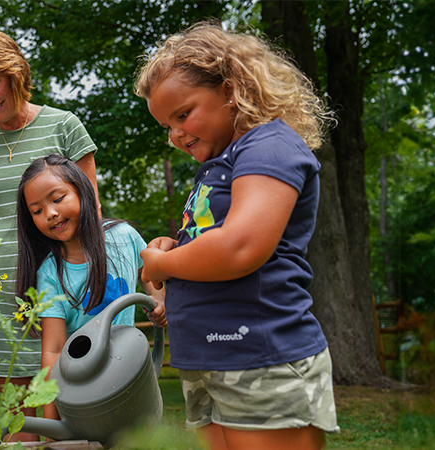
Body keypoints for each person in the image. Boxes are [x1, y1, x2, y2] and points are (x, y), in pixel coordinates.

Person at [133, 23, 339, 450]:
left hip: (261, 357)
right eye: (166, 125)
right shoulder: (221, 165)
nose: (175, 135)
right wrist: (176, 250)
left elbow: (240, 246)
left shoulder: (269, 147)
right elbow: (214, 241)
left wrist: (161, 264)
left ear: (231, 90)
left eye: (183, 114)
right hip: (210, 358)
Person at [0, 28, 102, 442]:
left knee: (65, 397)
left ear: (15, 74)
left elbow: (91, 208)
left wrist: (88, 274)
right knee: (15, 414)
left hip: (62, 281)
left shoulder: (65, 125)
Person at [11, 154, 161, 422]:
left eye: (57, 199)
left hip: (129, 372)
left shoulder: (124, 237)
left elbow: (151, 278)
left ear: (82, 191)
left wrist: (159, 302)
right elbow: (54, 350)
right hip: (82, 393)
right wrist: (52, 424)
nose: (51, 213)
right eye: (37, 210)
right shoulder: (50, 273)